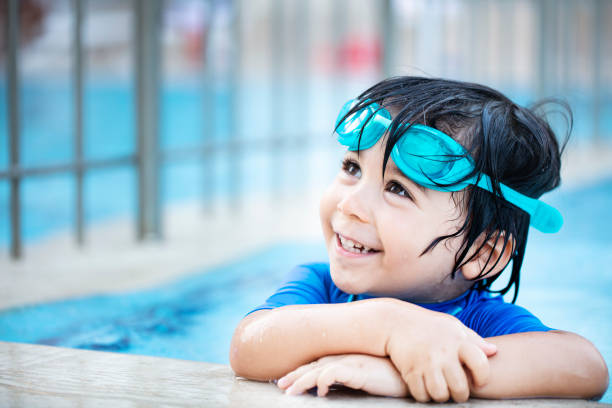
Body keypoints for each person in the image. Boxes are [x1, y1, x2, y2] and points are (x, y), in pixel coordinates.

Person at [229, 77, 609, 402]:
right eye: (351, 168)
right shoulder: (318, 285)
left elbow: (585, 367)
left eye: (398, 189)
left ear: (481, 251)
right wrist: (388, 325)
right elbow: (249, 347)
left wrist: (405, 375)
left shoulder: (478, 322)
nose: (350, 203)